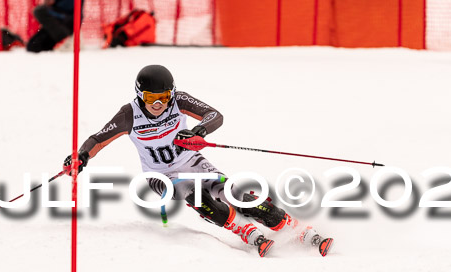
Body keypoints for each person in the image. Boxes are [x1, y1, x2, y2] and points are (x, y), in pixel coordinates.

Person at [62, 65, 333, 257]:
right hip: (160, 175)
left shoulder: (179, 101)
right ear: (139, 96)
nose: (158, 105)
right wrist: (81, 156)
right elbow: (98, 139)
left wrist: (197, 131)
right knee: (195, 195)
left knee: (235, 193)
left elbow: (214, 115)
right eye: (151, 99)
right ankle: (245, 231)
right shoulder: (129, 115)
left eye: (163, 98)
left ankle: (296, 229)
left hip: (192, 161)